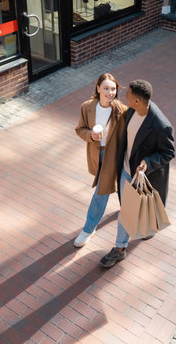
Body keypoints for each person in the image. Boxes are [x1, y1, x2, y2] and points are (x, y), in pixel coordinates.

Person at [100, 79, 175, 268]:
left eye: (128, 94)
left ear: (137, 101)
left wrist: (147, 163)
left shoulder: (161, 125)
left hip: (138, 174)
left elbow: (168, 153)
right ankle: (142, 228)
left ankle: (119, 249)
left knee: (126, 212)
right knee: (129, 209)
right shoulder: (133, 110)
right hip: (124, 168)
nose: (124, 95)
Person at [74, 73, 127, 247]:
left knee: (101, 191)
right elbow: (80, 129)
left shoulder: (121, 110)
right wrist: (91, 135)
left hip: (115, 155)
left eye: (113, 89)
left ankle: (88, 229)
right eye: (106, 88)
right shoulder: (87, 107)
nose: (110, 92)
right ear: (98, 88)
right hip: (97, 154)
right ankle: (125, 207)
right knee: (115, 187)